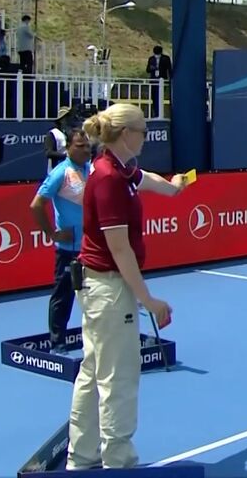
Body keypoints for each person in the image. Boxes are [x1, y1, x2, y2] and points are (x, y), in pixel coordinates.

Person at [67, 103, 186, 470]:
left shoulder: (118, 168)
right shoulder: (109, 179)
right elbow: (119, 249)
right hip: (109, 288)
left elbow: (144, 178)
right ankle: (119, 462)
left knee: (94, 371)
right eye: (143, 132)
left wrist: (173, 188)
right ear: (126, 134)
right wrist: (148, 299)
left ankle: (82, 457)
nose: (146, 138)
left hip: (99, 287)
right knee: (117, 378)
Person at [30, 129, 92, 353]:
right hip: (69, 250)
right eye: (80, 146)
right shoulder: (60, 173)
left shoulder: (92, 169)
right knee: (63, 297)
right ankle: (57, 343)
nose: (85, 150)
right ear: (68, 148)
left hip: (92, 248)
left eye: (87, 146)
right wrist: (53, 234)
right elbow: (36, 205)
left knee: (96, 296)